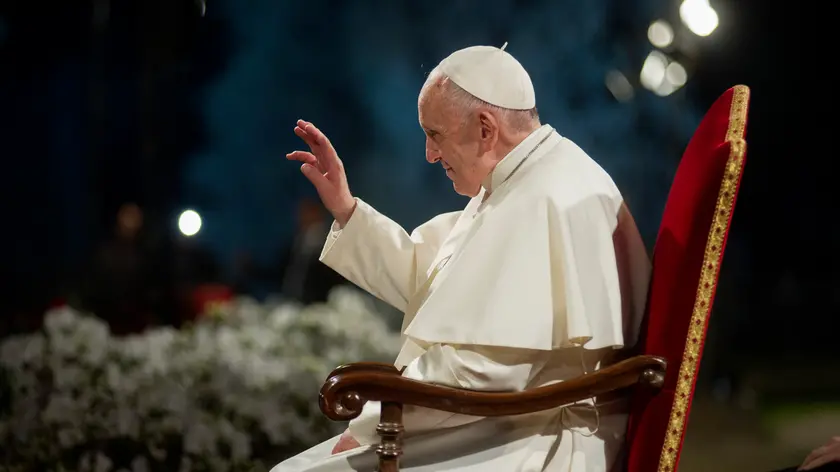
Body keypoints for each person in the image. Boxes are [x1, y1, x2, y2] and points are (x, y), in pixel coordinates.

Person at [272, 44, 651, 472]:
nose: (430, 155)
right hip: (504, 418)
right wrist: (346, 208)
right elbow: (432, 281)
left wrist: (371, 424)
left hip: (540, 438)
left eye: (435, 134)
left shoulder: (545, 196)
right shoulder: (522, 180)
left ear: (486, 129)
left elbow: (484, 369)